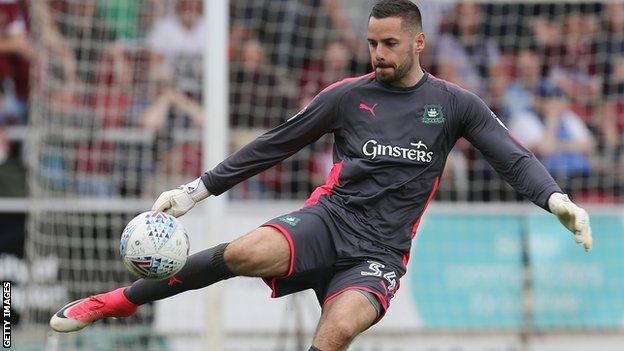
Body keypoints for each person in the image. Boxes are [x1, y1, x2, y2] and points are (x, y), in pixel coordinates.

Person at [49, 1, 593, 350]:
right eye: (372, 44)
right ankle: (115, 301)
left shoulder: (454, 105)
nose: (378, 54)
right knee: (239, 253)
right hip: (327, 221)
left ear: (418, 43)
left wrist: (555, 199)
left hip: (380, 253)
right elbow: (273, 144)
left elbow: (511, 156)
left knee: (334, 334)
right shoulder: (348, 97)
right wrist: (198, 189)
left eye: (389, 44)